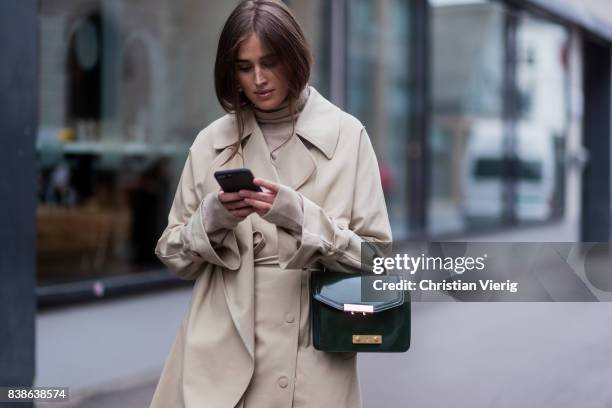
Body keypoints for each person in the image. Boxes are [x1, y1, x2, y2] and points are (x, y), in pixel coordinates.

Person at [150, 1, 391, 407]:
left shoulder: (348, 137)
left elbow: (377, 260)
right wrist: (211, 220)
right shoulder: (212, 143)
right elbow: (174, 255)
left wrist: (301, 218)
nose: (259, 79)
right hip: (217, 360)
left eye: (270, 62)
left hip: (312, 362)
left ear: (294, 57)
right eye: (244, 67)